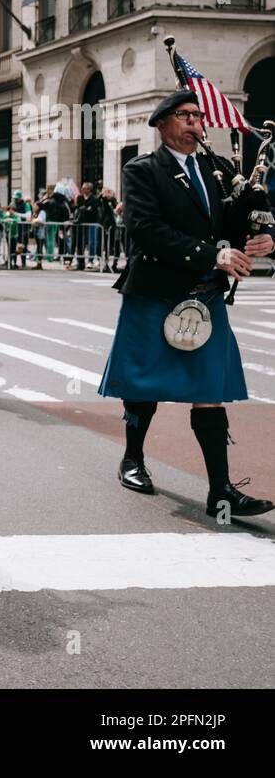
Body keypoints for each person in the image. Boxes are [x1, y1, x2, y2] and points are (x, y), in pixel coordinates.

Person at [99, 90, 272, 518]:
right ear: (163, 124)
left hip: (205, 294)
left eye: (198, 116)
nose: (196, 123)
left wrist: (266, 238)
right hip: (156, 288)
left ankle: (221, 491)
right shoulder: (142, 171)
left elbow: (236, 221)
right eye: (186, 116)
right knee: (144, 383)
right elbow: (146, 230)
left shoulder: (218, 170)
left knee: (209, 389)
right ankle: (133, 459)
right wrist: (212, 254)